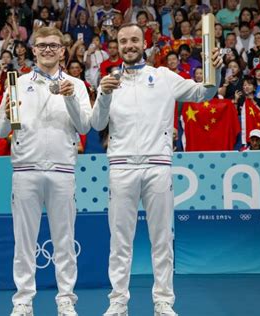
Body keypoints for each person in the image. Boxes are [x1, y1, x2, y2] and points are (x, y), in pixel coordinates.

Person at [91, 23, 223, 316]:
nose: (129, 45)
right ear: (117, 45)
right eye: (123, 41)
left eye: (134, 40)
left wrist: (216, 71)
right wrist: (103, 95)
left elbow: (203, 93)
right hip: (121, 167)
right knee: (120, 240)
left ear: (144, 42)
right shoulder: (108, 82)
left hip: (158, 166)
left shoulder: (163, 77)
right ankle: (118, 303)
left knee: (161, 239)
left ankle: (163, 302)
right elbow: (97, 124)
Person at [0, 26, 92, 316]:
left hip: (62, 169)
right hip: (25, 170)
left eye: (53, 45)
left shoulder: (77, 85)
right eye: (42, 45)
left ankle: (65, 300)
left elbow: (85, 126)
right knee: (24, 241)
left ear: (63, 51)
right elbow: (0, 131)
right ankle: (23, 300)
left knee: (64, 239)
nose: (48, 49)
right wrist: (9, 110)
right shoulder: (17, 83)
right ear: (33, 50)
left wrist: (71, 97)